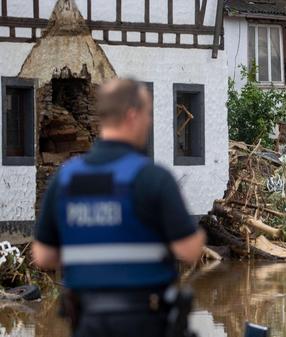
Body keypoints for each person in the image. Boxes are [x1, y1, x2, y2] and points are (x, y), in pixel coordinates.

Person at [32, 79, 205, 337]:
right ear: (132, 115)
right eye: (147, 114)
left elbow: (43, 257)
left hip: (87, 323)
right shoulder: (151, 178)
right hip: (144, 323)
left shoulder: (66, 179)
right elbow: (189, 250)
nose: (149, 122)